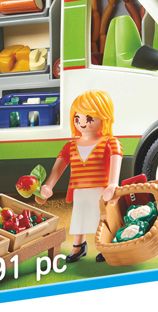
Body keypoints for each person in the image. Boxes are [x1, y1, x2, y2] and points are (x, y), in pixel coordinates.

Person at [38, 90, 122, 263]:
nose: (82, 123)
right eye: (78, 118)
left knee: (103, 217)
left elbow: (116, 160)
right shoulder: (70, 146)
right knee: (79, 216)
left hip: (101, 189)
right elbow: (58, 167)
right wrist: (48, 185)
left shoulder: (110, 142)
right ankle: (78, 245)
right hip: (79, 191)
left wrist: (113, 184)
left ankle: (105, 244)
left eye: (89, 118)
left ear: (104, 117)